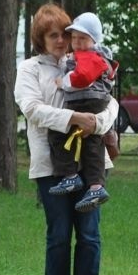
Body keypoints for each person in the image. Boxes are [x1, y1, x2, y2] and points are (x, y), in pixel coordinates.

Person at [14, 3, 118, 275]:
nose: (61, 40)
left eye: (66, 34)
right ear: (40, 38)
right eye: (53, 35)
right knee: (59, 233)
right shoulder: (30, 69)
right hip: (51, 166)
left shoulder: (86, 61)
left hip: (91, 166)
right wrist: (74, 117)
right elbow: (32, 108)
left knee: (88, 232)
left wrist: (96, 124)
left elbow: (111, 103)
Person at [48, 12, 116, 212]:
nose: (77, 43)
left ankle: (69, 176)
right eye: (74, 38)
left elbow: (83, 76)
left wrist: (64, 81)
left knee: (58, 133)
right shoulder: (97, 55)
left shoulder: (90, 56)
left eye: (83, 38)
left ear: (94, 40)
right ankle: (96, 186)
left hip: (85, 101)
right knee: (92, 144)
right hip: (96, 102)